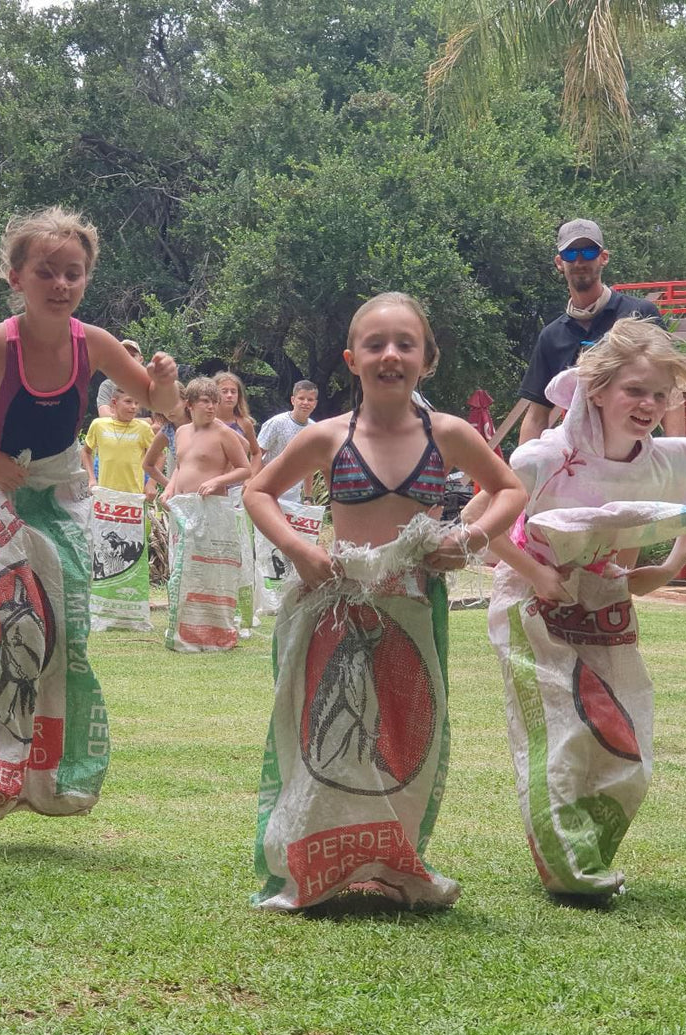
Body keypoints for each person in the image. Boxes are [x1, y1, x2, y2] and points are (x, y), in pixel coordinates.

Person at [243, 292, 526, 911]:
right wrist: (300, 550)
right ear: (352, 359)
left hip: (413, 608)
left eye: (405, 344)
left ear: (428, 359)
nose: (390, 355)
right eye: (375, 344)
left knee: (402, 737)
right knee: (329, 732)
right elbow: (259, 492)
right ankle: (319, 861)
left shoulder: (448, 434)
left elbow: (509, 488)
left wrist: (466, 538)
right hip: (338, 609)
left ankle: (396, 859)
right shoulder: (325, 437)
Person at [474, 316, 686, 899]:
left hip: (605, 601)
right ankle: (569, 870)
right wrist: (537, 573)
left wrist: (666, 569)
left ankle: (588, 850)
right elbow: (478, 524)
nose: (649, 404)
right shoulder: (545, 457)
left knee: (626, 739)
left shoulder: (665, 461)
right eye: (635, 390)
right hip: (531, 601)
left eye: (658, 393)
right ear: (596, 390)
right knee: (561, 733)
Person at [0, 207, 178, 818]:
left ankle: (57, 775)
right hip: (3, 499)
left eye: (73, 273)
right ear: (16, 277)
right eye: (46, 272)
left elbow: (159, 405)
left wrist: (166, 381)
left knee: (66, 636)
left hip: (62, 500)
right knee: (6, 631)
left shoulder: (93, 344)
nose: (60, 284)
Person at [517, 219, 682, 444]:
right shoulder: (551, 336)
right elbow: (537, 415)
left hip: (634, 458)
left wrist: (678, 456)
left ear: (603, 257)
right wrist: (524, 472)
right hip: (578, 463)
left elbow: (671, 388)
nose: (579, 260)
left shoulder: (639, 314)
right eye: (570, 254)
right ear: (559, 262)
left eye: (588, 251)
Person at [161, 377, 253, 651]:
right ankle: (183, 630)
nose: (211, 407)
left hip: (212, 511)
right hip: (185, 509)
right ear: (189, 405)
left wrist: (218, 481)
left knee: (211, 572)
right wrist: (169, 489)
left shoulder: (223, 432)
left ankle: (217, 631)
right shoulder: (181, 432)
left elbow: (244, 468)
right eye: (205, 402)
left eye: (214, 401)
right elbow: (181, 465)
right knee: (183, 569)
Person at [255, 379, 319, 504]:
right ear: (293, 400)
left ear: (315, 403)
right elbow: (257, 454)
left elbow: (309, 465)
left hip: (292, 496)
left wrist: (308, 497)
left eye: (310, 400)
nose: (305, 403)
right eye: (301, 398)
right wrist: (252, 483)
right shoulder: (277, 423)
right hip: (267, 489)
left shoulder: (314, 429)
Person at [82, 388, 155, 494]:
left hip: (133, 493)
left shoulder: (143, 428)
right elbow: (86, 451)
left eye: (137, 403)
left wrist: (151, 484)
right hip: (104, 492)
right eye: (128, 401)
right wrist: (92, 478)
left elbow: (159, 457)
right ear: (114, 402)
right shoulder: (98, 425)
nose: (134, 407)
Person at [213, 370, 262, 473]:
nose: (229, 395)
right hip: (209, 482)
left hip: (236, 485)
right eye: (224, 391)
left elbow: (256, 453)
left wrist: (251, 478)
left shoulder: (244, 423)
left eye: (233, 391)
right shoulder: (207, 422)